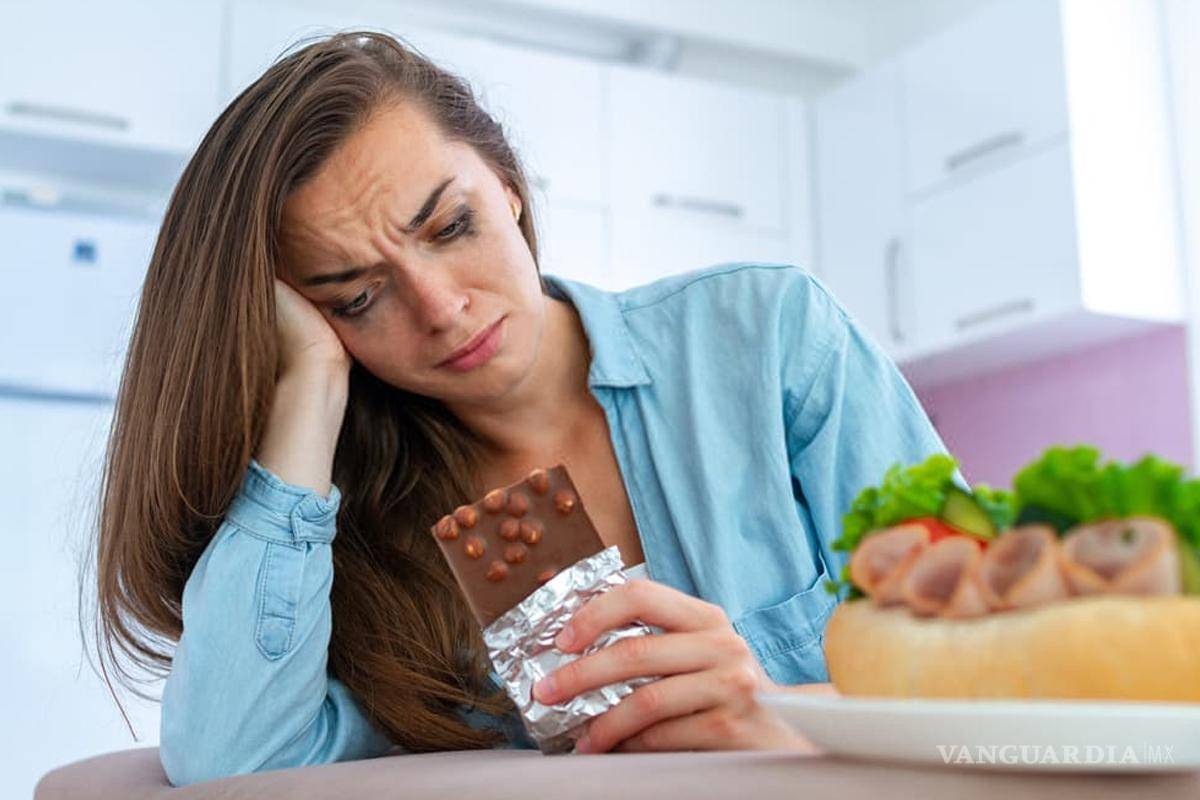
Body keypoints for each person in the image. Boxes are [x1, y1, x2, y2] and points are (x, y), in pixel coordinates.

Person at [86, 31, 949, 787]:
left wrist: (782, 712)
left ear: (507, 186)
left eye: (450, 226)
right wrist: (306, 383)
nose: (439, 308)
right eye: (356, 298)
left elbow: (997, 670)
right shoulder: (367, 539)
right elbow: (231, 762)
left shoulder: (765, 339)